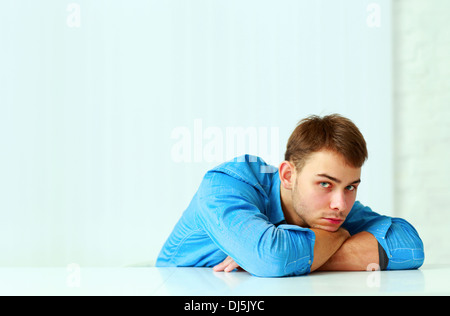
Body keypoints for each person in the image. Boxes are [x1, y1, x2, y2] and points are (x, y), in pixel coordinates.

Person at [156, 114, 424, 277]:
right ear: (287, 176)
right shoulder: (224, 185)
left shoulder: (327, 210)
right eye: (325, 184)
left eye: (351, 187)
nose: (340, 205)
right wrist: (343, 239)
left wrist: (308, 252)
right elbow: (271, 258)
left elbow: (410, 246)